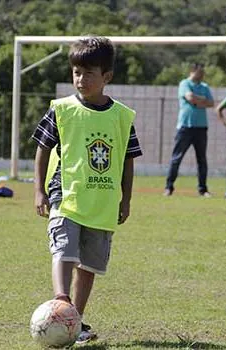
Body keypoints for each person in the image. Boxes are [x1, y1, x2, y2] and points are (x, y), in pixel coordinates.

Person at [32, 36, 142, 345]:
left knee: (89, 265)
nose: (81, 79)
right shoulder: (62, 110)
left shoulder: (122, 117)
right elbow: (43, 148)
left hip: (103, 203)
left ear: (107, 77)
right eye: (76, 72)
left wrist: (126, 199)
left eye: (89, 73)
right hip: (65, 196)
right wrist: (38, 190)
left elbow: (127, 160)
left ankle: (73, 321)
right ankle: (61, 300)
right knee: (64, 250)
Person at [164, 63, 214, 197]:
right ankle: (169, 187)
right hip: (185, 127)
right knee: (177, 158)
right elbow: (190, 98)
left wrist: (199, 100)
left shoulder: (205, 87)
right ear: (193, 71)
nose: (202, 75)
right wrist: (200, 100)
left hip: (201, 128)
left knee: (202, 159)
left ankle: (203, 189)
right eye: (200, 72)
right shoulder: (184, 84)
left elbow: (211, 103)